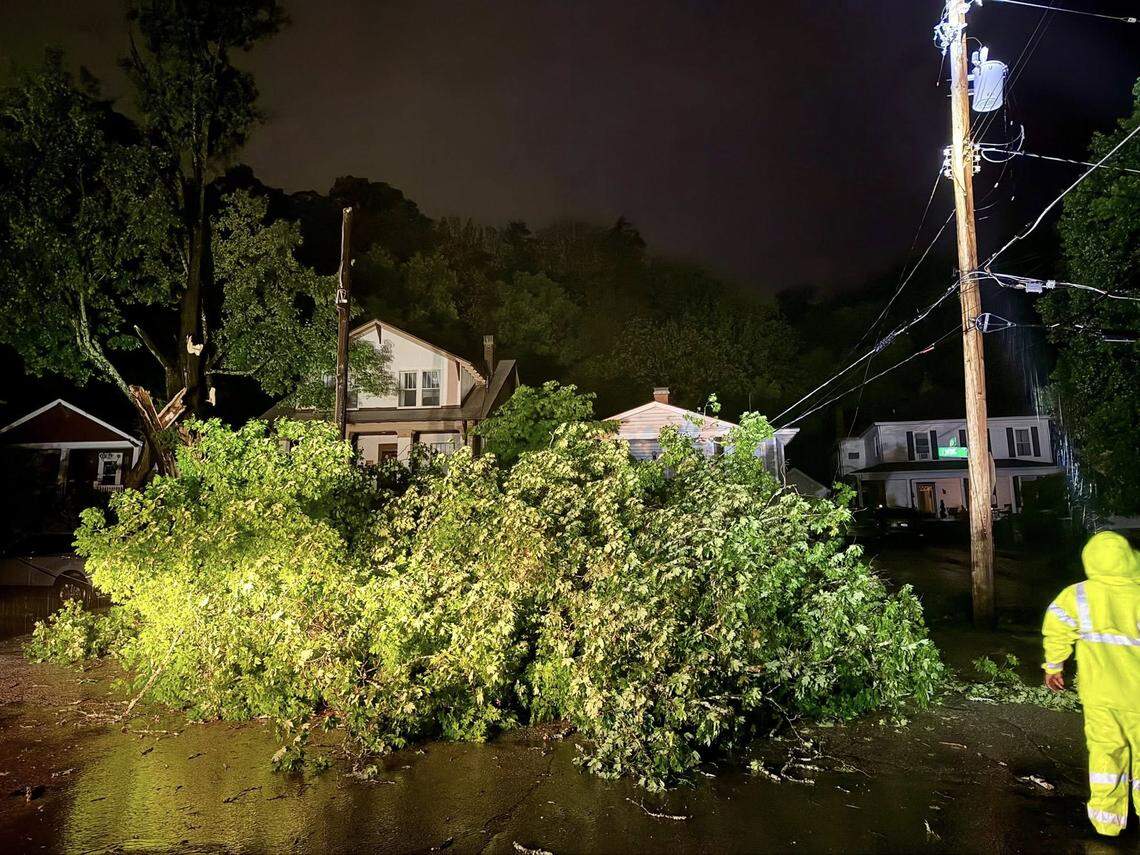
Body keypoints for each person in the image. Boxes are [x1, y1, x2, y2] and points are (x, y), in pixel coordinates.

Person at [1042, 530, 1140, 837]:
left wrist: (1054, 666)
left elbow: (1057, 628)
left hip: (1100, 696)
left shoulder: (1077, 595)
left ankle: (1107, 823)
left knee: (1105, 754)